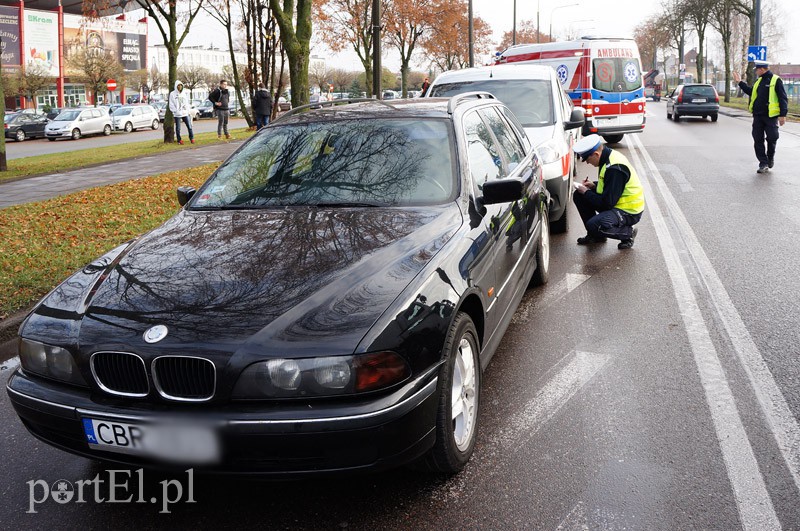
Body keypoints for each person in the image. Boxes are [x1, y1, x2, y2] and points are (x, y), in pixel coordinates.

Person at [572, 134, 645, 250]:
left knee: (595, 224)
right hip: (616, 202)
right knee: (578, 195)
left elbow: (606, 204)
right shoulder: (606, 157)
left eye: (587, 159)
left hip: (629, 211)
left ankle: (628, 234)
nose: (586, 163)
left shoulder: (615, 168)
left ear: (596, 154)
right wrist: (593, 186)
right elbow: (609, 185)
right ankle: (596, 236)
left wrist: (586, 192)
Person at [733, 60, 789, 174]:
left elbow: (783, 98)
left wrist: (783, 115)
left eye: (757, 70)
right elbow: (751, 91)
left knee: (772, 137)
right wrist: (740, 82)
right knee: (758, 139)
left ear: (762, 69)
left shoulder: (775, 80)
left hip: (770, 116)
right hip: (758, 116)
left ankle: (770, 157)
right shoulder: (758, 81)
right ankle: (763, 163)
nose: (756, 72)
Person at [168, 80, 194, 145]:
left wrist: (188, 111)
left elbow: (186, 103)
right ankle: (179, 140)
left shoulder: (184, 94)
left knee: (189, 126)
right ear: (176, 86)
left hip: (185, 113)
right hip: (177, 114)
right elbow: (171, 104)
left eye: (181, 86)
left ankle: (192, 138)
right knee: (178, 128)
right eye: (178, 86)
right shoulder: (172, 94)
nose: (180, 87)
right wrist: (175, 111)